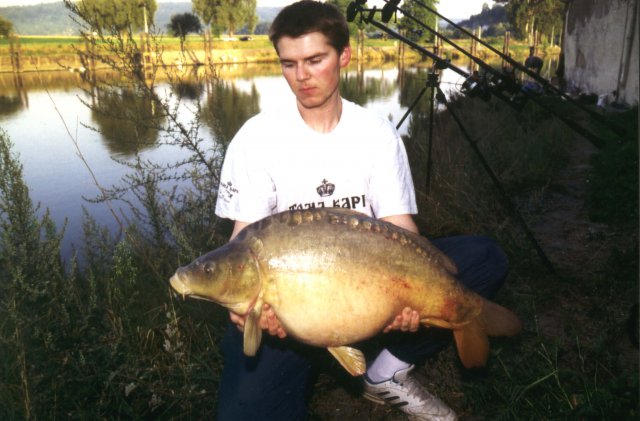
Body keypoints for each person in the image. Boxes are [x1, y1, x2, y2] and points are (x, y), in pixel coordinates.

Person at [214, 2, 508, 420]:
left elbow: (400, 229)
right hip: (295, 315)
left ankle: (386, 370)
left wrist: (406, 299)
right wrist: (249, 311)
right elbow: (241, 245)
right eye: (289, 64)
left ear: (345, 56)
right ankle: (310, 365)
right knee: (244, 413)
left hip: (371, 296)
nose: (302, 76)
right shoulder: (255, 140)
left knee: (483, 259)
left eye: (315, 60)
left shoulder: (376, 133)